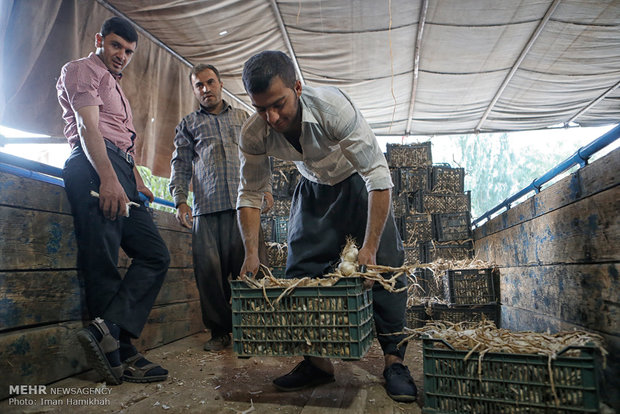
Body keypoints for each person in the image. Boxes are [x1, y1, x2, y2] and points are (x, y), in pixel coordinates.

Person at [236, 51, 417, 402]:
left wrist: (369, 247)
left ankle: (394, 361)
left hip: (357, 182)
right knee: (299, 272)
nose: (271, 117)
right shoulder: (253, 133)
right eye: (261, 109)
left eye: (278, 104)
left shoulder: (333, 109)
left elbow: (379, 178)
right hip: (313, 187)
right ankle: (317, 363)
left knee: (386, 269)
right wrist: (251, 252)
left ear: (298, 88)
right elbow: (250, 193)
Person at [57, 17, 169, 385]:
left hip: (118, 169)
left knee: (155, 253)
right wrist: (107, 177)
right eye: (117, 46)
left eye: (129, 51)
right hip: (93, 165)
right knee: (103, 258)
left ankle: (106, 328)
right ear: (99, 40)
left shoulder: (117, 87)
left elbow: (123, 143)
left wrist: (135, 180)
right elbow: (90, 127)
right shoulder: (80, 70)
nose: (122, 55)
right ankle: (122, 353)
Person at [169, 64, 271, 351]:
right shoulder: (188, 125)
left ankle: (256, 329)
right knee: (209, 275)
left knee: (254, 269)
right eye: (199, 85)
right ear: (194, 90)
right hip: (207, 209)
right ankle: (219, 332)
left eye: (210, 82)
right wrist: (180, 200)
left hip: (245, 207)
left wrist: (267, 188)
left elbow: (260, 156)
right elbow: (180, 164)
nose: (206, 89)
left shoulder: (244, 118)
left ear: (221, 83)